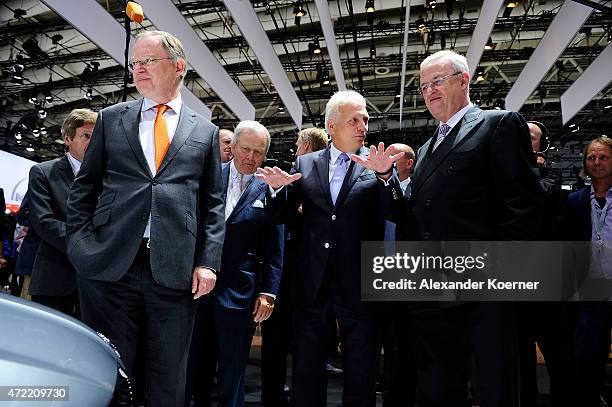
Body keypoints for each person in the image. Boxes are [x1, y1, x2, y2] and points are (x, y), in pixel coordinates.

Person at [355, 50, 540, 407]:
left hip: (482, 294)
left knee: (494, 390)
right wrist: (384, 178)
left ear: (464, 80)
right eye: (424, 86)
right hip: (431, 295)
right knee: (436, 392)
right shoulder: (425, 148)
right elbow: (408, 214)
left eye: (437, 81)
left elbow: (524, 207)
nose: (429, 91)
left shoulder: (497, 124)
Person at [66, 30, 225, 407]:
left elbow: (213, 205)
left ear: (178, 67)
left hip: (174, 272)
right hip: (109, 267)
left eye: (148, 61)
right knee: (110, 374)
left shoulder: (205, 131)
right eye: (136, 62)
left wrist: (207, 262)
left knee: (168, 378)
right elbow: (83, 189)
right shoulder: (110, 119)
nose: (138, 70)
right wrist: (81, 245)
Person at [256, 90, 387, 407]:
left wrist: (385, 177)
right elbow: (281, 217)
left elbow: (394, 215)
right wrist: (276, 193)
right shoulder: (305, 163)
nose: (362, 127)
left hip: (359, 283)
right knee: (307, 368)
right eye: (354, 120)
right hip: (312, 283)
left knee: (360, 368)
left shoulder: (375, 164)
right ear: (332, 125)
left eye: (365, 120)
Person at [211, 120, 284, 407]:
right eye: (245, 149)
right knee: (194, 365)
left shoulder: (268, 188)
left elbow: (275, 247)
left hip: (240, 294)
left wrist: (268, 292)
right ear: (232, 147)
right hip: (196, 290)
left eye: (258, 152)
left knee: (233, 371)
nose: (250, 158)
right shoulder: (208, 178)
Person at [260, 127, 329, 406]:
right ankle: (273, 394)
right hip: (282, 271)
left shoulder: (326, 182)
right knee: (275, 339)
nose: (295, 152)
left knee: (307, 342)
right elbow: (275, 216)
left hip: (310, 274)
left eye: (299, 146)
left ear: (309, 148)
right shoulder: (286, 179)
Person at [27, 109, 97, 317]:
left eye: (97, 137)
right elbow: (43, 222)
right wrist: (88, 245)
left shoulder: (107, 177)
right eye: (87, 136)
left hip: (96, 284)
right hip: (54, 279)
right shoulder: (43, 172)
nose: (94, 143)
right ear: (67, 138)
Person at [561, 136, 612, 407]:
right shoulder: (575, 200)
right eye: (592, 158)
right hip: (592, 286)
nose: (597, 162)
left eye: (603, 157)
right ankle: (592, 398)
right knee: (588, 353)